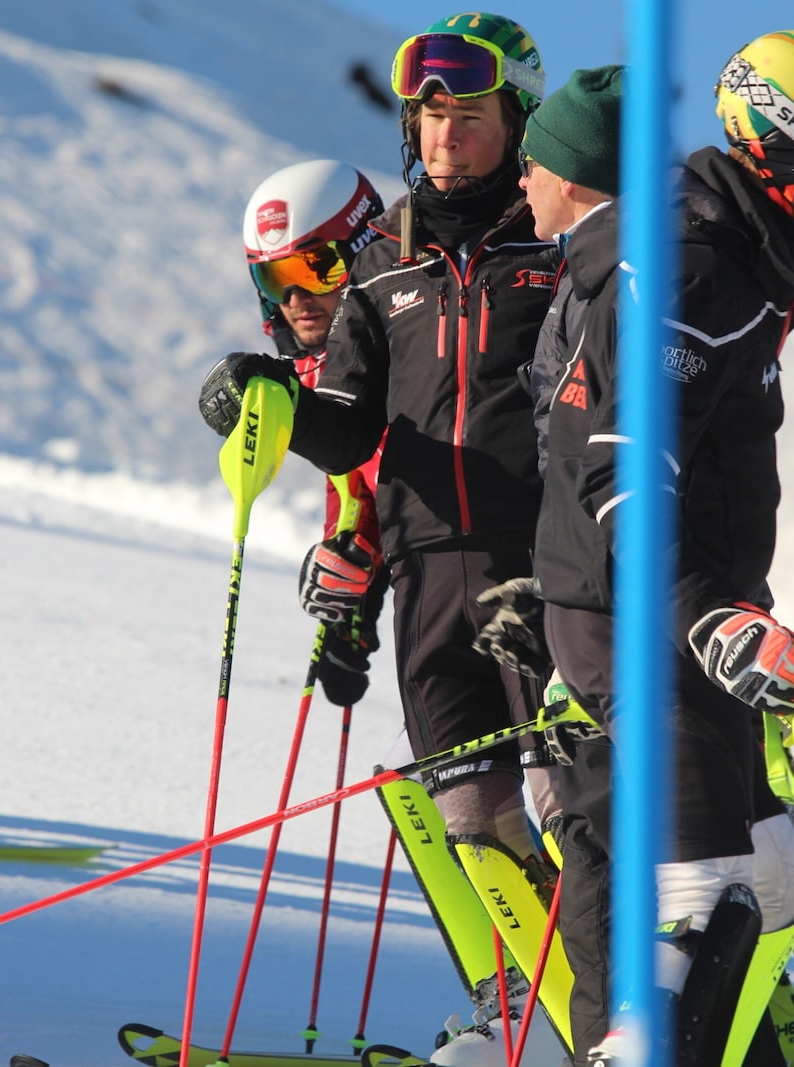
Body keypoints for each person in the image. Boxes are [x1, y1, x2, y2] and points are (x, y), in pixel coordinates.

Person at [199, 12, 565, 1063]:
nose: (445, 134)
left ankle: (617, 1011)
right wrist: (268, 396)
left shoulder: (557, 245)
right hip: (428, 577)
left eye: (469, 112)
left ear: (518, 120)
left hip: (547, 570)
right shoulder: (381, 268)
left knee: (568, 801)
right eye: (428, 113)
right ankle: (519, 1013)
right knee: (472, 812)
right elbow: (351, 425)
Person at [474, 47, 794, 1066]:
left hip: (633, 606)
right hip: (655, 622)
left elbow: (564, 434)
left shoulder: (697, 246)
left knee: (767, 868)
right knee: (701, 902)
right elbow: (622, 465)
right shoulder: (700, 261)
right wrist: (705, 612)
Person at [200, 158, 389, 709]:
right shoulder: (320, 370)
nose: (296, 299)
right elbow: (356, 485)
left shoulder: (411, 347)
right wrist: (355, 570)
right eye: (275, 278)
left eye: (316, 269)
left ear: (363, 256)